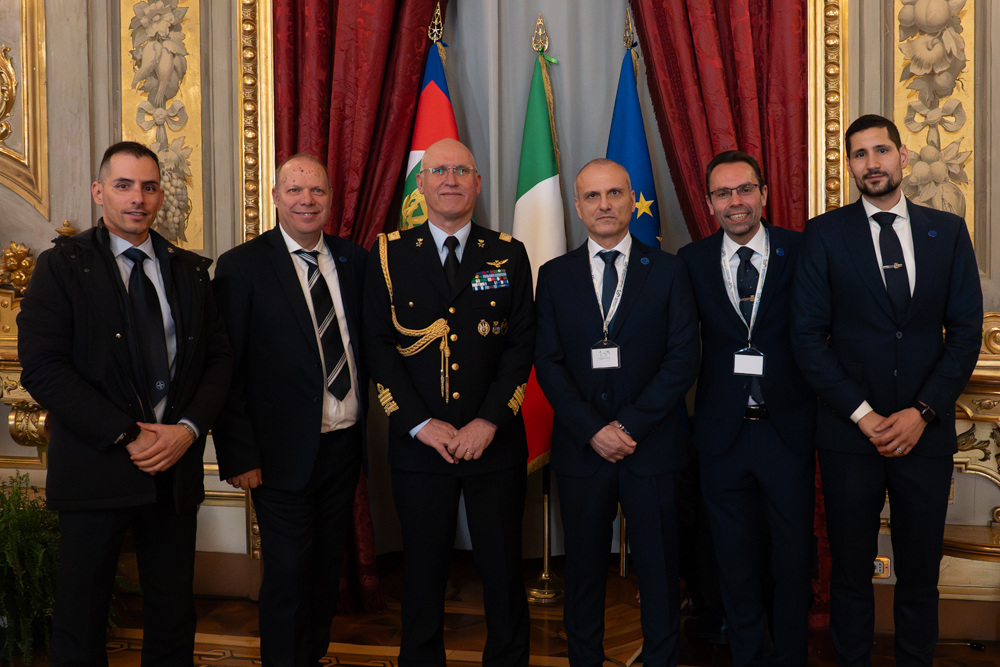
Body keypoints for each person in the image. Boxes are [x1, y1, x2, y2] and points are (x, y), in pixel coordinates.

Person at [16, 141, 233, 665]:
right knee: (81, 614)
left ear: (160, 196)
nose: (138, 198)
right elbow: (43, 368)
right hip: (96, 466)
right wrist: (128, 434)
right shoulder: (62, 267)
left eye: (149, 187)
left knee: (173, 613)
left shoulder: (189, 271)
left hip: (173, 469)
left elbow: (220, 362)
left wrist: (187, 429)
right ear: (99, 192)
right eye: (124, 185)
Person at [792, 114, 982, 666]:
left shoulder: (948, 232)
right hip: (850, 437)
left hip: (925, 434)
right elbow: (807, 338)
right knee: (850, 573)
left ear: (903, 156)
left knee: (920, 574)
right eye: (859, 154)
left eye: (881, 151)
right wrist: (863, 415)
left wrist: (921, 412)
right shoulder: (824, 234)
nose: (871, 163)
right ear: (849, 166)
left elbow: (965, 332)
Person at [363, 138, 534, 667]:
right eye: (439, 170)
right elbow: (378, 347)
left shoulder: (508, 253)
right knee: (422, 573)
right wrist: (419, 423)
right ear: (422, 183)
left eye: (462, 170)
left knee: (503, 572)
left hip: (494, 445)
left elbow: (521, 346)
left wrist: (489, 421)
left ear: (477, 184)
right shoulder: (388, 253)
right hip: (420, 448)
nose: (451, 180)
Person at [534, 158, 699, 667]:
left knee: (659, 570)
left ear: (632, 200)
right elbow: (548, 362)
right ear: (577, 207)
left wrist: (628, 426)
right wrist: (593, 430)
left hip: (653, 448)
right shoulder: (554, 275)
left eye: (614, 194)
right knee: (584, 570)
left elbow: (682, 358)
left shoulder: (670, 270)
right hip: (582, 452)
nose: (604, 205)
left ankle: (661, 659)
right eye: (592, 196)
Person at [212, 153, 369, 666]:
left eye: (317, 190)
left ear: (331, 199)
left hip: (343, 448)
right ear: (276, 197)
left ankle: (311, 657)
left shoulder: (354, 260)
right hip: (277, 456)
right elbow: (226, 368)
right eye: (295, 191)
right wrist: (239, 455)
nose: (307, 200)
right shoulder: (242, 266)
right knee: (287, 574)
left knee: (326, 571)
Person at [677, 150, 816, 666]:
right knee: (732, 558)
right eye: (723, 193)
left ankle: (791, 656)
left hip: (787, 428)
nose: (735, 201)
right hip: (722, 433)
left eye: (744, 189)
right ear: (709, 202)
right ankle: (748, 655)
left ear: (764, 194)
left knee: (792, 557)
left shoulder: (801, 251)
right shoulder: (690, 261)